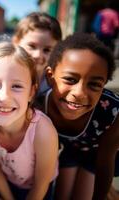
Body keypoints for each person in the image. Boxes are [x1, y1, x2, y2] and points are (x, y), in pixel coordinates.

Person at [38, 32, 119, 200]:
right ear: (50, 77)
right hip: (72, 150)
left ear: (104, 85)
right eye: (70, 79)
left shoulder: (113, 113)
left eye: (94, 84)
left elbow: (105, 163)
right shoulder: (40, 106)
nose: (80, 93)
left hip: (103, 156)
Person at [0, 41, 59, 200]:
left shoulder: (42, 131)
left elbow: (41, 184)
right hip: (7, 185)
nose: (4, 97)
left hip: (39, 191)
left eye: (16, 86)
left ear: (31, 92)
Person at [12, 12, 62, 95]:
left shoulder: (54, 83)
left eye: (47, 50)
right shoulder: (5, 73)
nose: (38, 55)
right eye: (32, 46)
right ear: (16, 42)